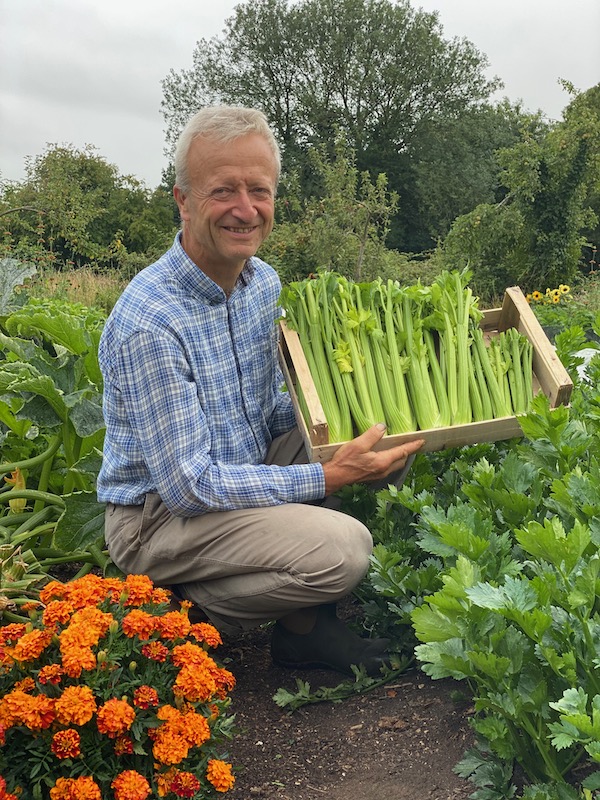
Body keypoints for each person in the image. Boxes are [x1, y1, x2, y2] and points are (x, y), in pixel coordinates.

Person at [97, 105, 424, 676]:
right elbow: (189, 485)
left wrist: (349, 408)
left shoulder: (260, 283)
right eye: (223, 190)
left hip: (235, 472)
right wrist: (327, 475)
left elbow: (269, 408)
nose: (244, 209)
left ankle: (303, 632)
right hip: (157, 517)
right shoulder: (151, 321)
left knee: (382, 439)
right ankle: (184, 609)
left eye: (259, 190)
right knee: (341, 551)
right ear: (183, 200)